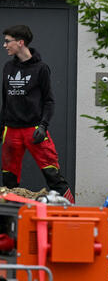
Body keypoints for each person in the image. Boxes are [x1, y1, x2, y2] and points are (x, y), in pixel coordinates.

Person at [1, 25, 74, 201]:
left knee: (52, 174)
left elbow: (49, 101)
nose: (4, 45)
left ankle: (70, 209)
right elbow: (5, 100)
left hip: (34, 130)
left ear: (20, 42)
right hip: (11, 130)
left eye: (7, 41)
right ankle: (9, 217)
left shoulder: (41, 68)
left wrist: (43, 126)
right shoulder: (7, 67)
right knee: (8, 177)